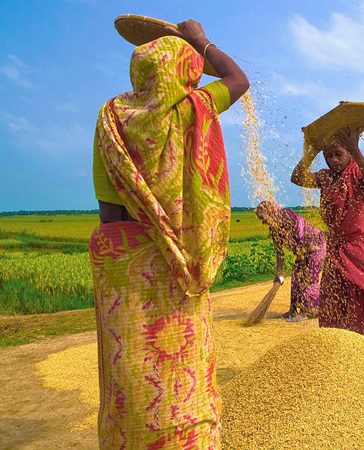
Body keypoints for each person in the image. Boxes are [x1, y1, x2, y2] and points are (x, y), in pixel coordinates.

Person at [89, 19, 249, 448]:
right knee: (183, 377)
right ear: (184, 72)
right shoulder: (193, 109)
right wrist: (203, 41)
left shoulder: (110, 119)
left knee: (130, 373)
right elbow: (239, 80)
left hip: (125, 273)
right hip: (177, 269)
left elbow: (110, 214)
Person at [291, 126, 364, 349]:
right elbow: (297, 177)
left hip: (361, 248)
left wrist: (356, 149)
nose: (333, 160)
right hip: (336, 250)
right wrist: (312, 151)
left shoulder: (358, 173)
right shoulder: (326, 178)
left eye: (338, 154)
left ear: (348, 153)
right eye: (328, 155)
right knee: (333, 301)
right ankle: (341, 351)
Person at [255, 200, 326, 321]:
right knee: (296, 276)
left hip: (316, 247)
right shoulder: (274, 228)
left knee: (308, 277)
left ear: (270, 213)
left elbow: (301, 234)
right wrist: (278, 273)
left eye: (263, 218)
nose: (263, 222)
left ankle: (306, 311)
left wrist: (303, 259)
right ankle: (292, 310)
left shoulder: (288, 217)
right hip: (303, 250)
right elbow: (280, 252)